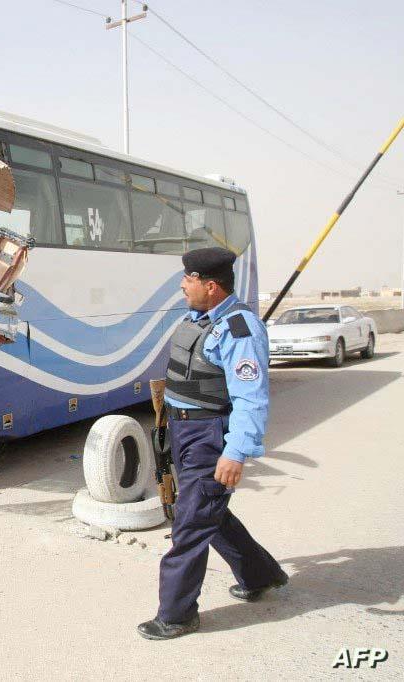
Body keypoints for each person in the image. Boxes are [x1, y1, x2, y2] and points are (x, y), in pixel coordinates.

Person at [137, 247, 288, 640]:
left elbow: (251, 397)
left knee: (190, 524)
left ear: (211, 285)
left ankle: (177, 614)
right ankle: (260, 575)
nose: (182, 285)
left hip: (209, 437)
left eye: (188, 279)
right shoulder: (200, 319)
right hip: (185, 432)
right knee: (208, 512)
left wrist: (235, 452)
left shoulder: (240, 329)